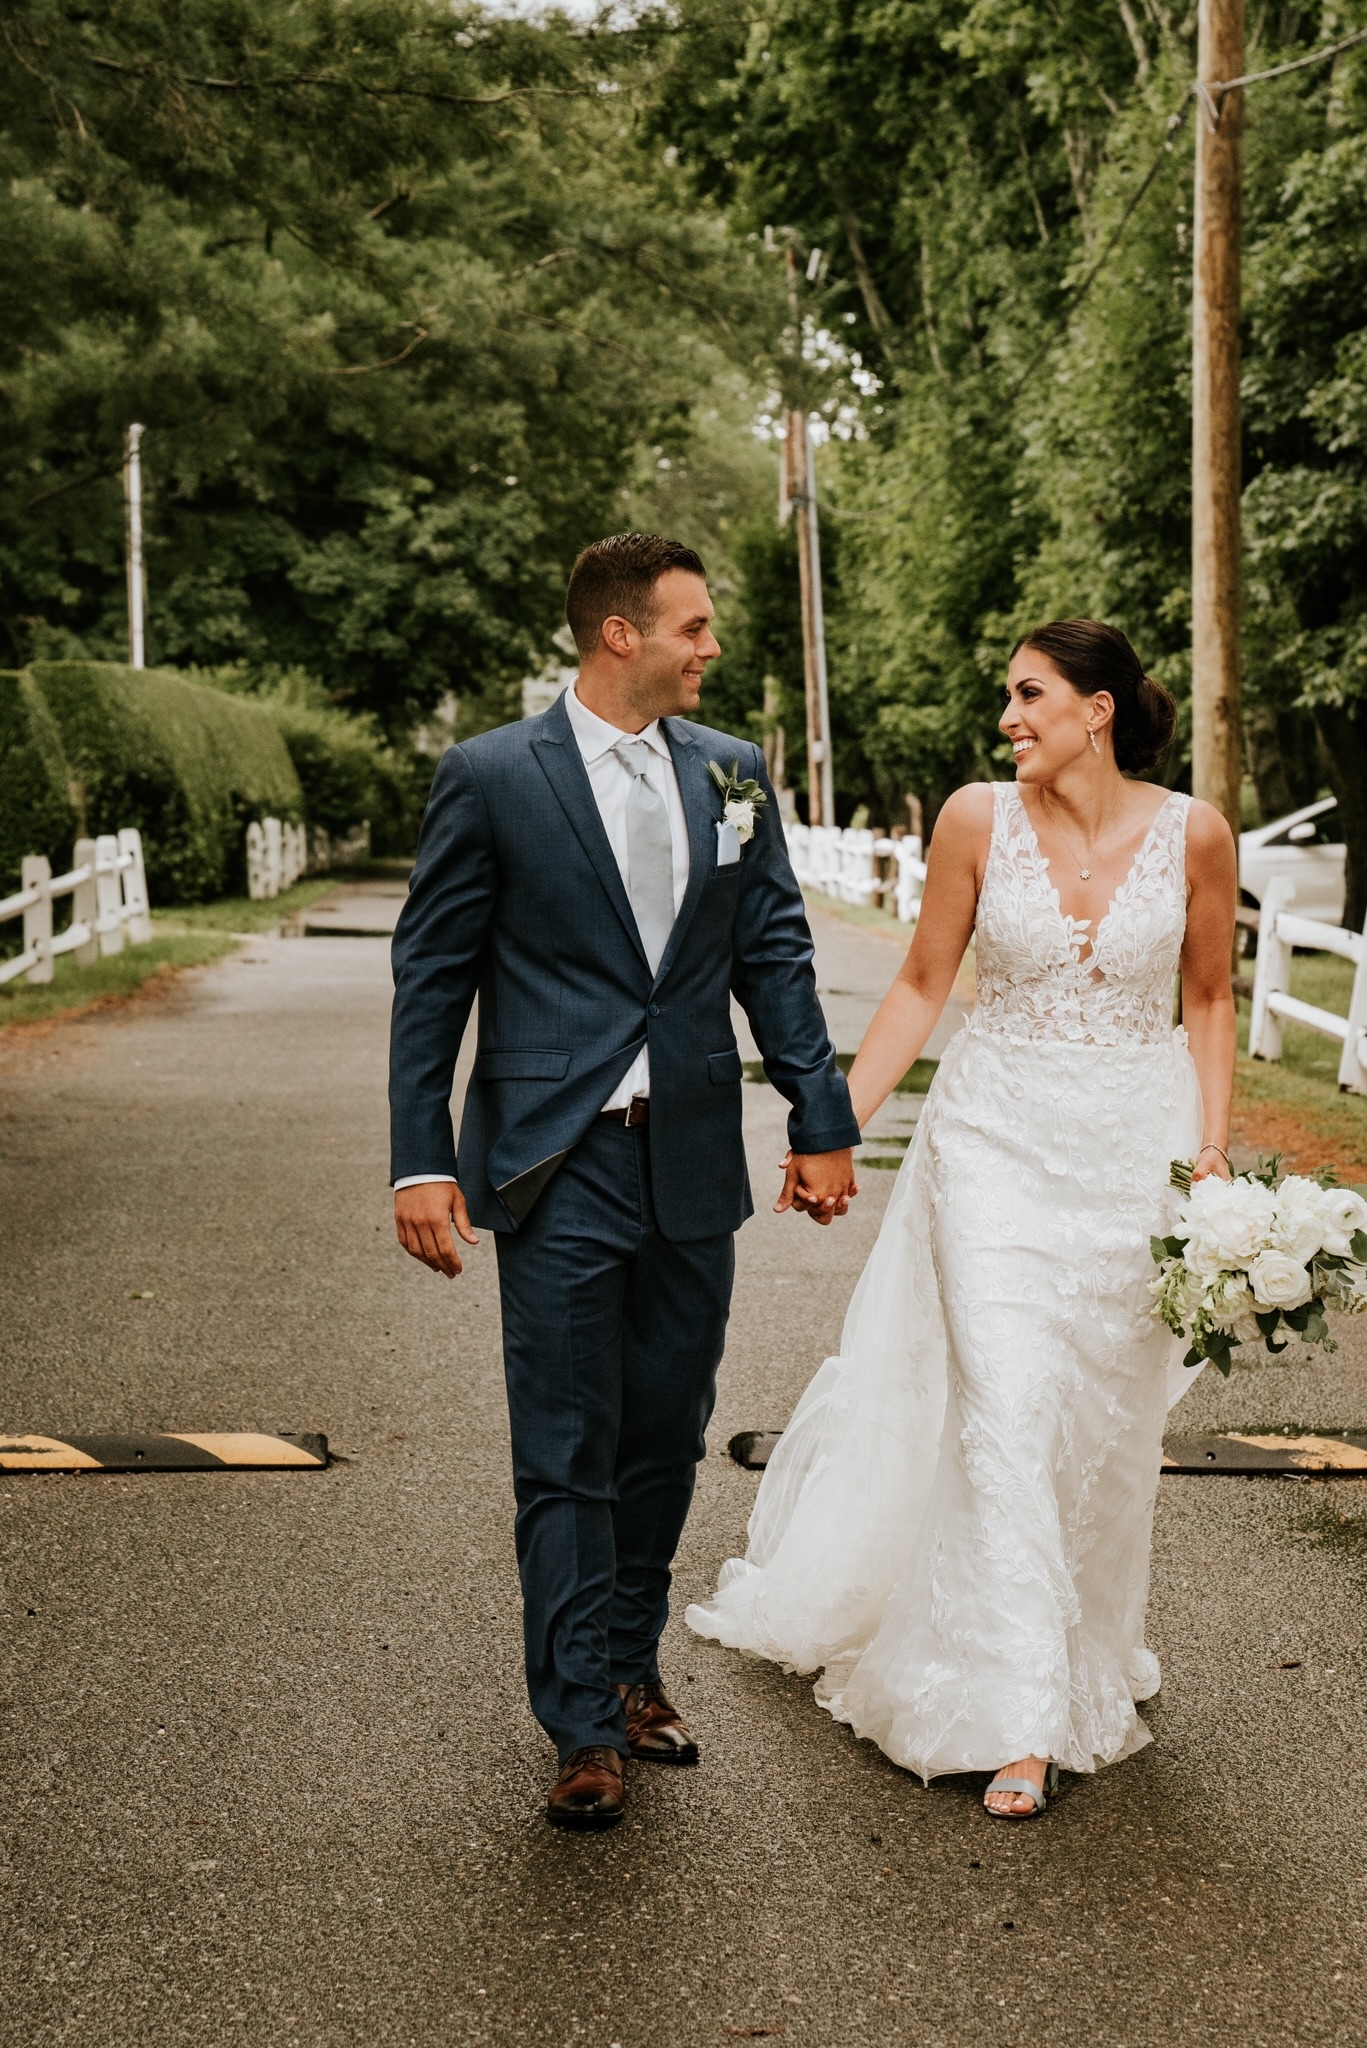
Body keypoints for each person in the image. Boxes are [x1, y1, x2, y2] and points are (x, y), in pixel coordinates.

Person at [688, 618, 1238, 1819]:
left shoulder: (1195, 833)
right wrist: (828, 1121)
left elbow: (1205, 996)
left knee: (1091, 1421)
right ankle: (1019, 1714)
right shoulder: (972, 818)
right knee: (1003, 1396)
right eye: (1008, 698)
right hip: (989, 1145)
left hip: (1128, 1160)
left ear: (1096, 708)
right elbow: (923, 983)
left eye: (1029, 695)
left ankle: (1072, 1640)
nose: (1008, 718)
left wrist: (1206, 1151)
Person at [388, 533, 859, 1832]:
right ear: (618, 634)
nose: (711, 648)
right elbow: (432, 980)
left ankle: (631, 1662)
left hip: (690, 1157)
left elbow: (774, 953)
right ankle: (581, 1725)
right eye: (693, 627)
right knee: (565, 1449)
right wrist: (418, 1155)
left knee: (660, 1431)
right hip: (555, 1160)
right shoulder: (491, 779)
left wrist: (820, 1119)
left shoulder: (735, 776)